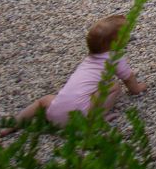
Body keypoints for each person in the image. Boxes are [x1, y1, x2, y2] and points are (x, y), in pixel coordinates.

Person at [17, 13, 147, 125]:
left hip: (54, 115)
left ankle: (14, 122)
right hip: (79, 118)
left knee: (43, 101)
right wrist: (137, 89)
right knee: (114, 87)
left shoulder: (90, 57)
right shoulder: (115, 58)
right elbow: (128, 78)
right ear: (117, 42)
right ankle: (96, 119)